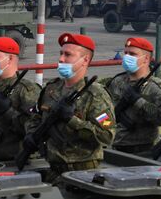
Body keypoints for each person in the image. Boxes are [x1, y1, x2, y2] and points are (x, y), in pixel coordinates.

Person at [25, 33, 115, 183]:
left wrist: (72, 120)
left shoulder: (95, 95)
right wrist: (32, 134)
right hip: (53, 169)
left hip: (83, 172)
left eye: (68, 55)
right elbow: (36, 117)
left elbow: (106, 136)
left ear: (85, 60)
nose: (61, 59)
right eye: (61, 54)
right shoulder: (51, 90)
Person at [105, 38, 161, 154]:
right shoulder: (117, 82)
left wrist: (138, 101)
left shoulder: (157, 88)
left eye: (132, 54)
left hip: (143, 150)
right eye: (126, 53)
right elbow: (102, 113)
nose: (127, 57)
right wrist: (107, 125)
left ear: (146, 59)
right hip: (114, 147)